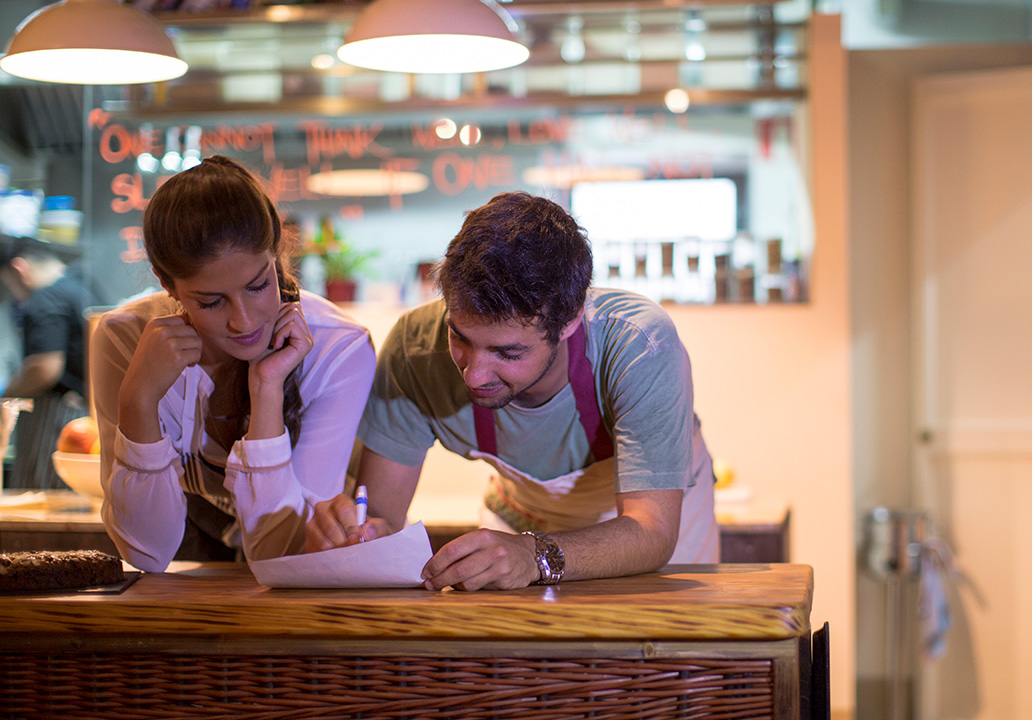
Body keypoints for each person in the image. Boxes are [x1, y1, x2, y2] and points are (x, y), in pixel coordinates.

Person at [306, 191, 718, 590]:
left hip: (644, 528)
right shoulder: (414, 349)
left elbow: (652, 529)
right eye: (460, 337)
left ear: (570, 320)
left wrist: (534, 556)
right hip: (520, 519)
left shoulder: (639, 345)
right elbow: (380, 515)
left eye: (506, 352)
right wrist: (359, 534)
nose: (473, 375)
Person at [91, 156, 376, 572]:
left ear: (276, 255)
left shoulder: (338, 348)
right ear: (166, 283)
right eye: (210, 301)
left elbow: (281, 556)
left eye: (259, 285)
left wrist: (267, 389)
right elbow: (146, 552)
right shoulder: (124, 339)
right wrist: (139, 398)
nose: (242, 320)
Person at [0, 235, 98, 490]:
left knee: (38, 503)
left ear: (19, 269)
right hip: (87, 416)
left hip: (57, 422)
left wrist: (6, 391)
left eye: (10, 286)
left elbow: (45, 368)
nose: (16, 295)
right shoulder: (82, 287)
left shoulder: (45, 298)